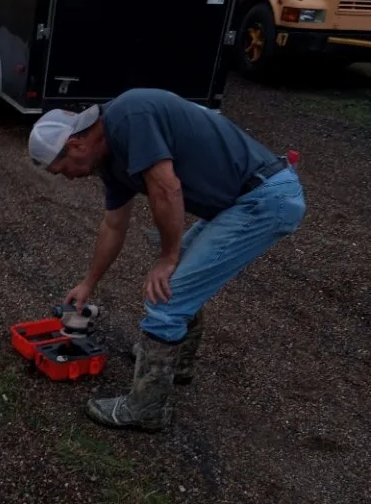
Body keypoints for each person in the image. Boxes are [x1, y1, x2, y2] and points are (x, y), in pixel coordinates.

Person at [28, 88, 306, 432]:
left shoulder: (130, 116)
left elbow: (167, 189)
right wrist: (89, 283)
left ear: (76, 145)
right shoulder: (110, 161)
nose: (67, 177)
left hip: (262, 199)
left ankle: (145, 409)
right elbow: (113, 225)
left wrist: (168, 257)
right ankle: (177, 365)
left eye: (62, 169)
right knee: (176, 285)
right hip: (240, 201)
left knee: (167, 297)